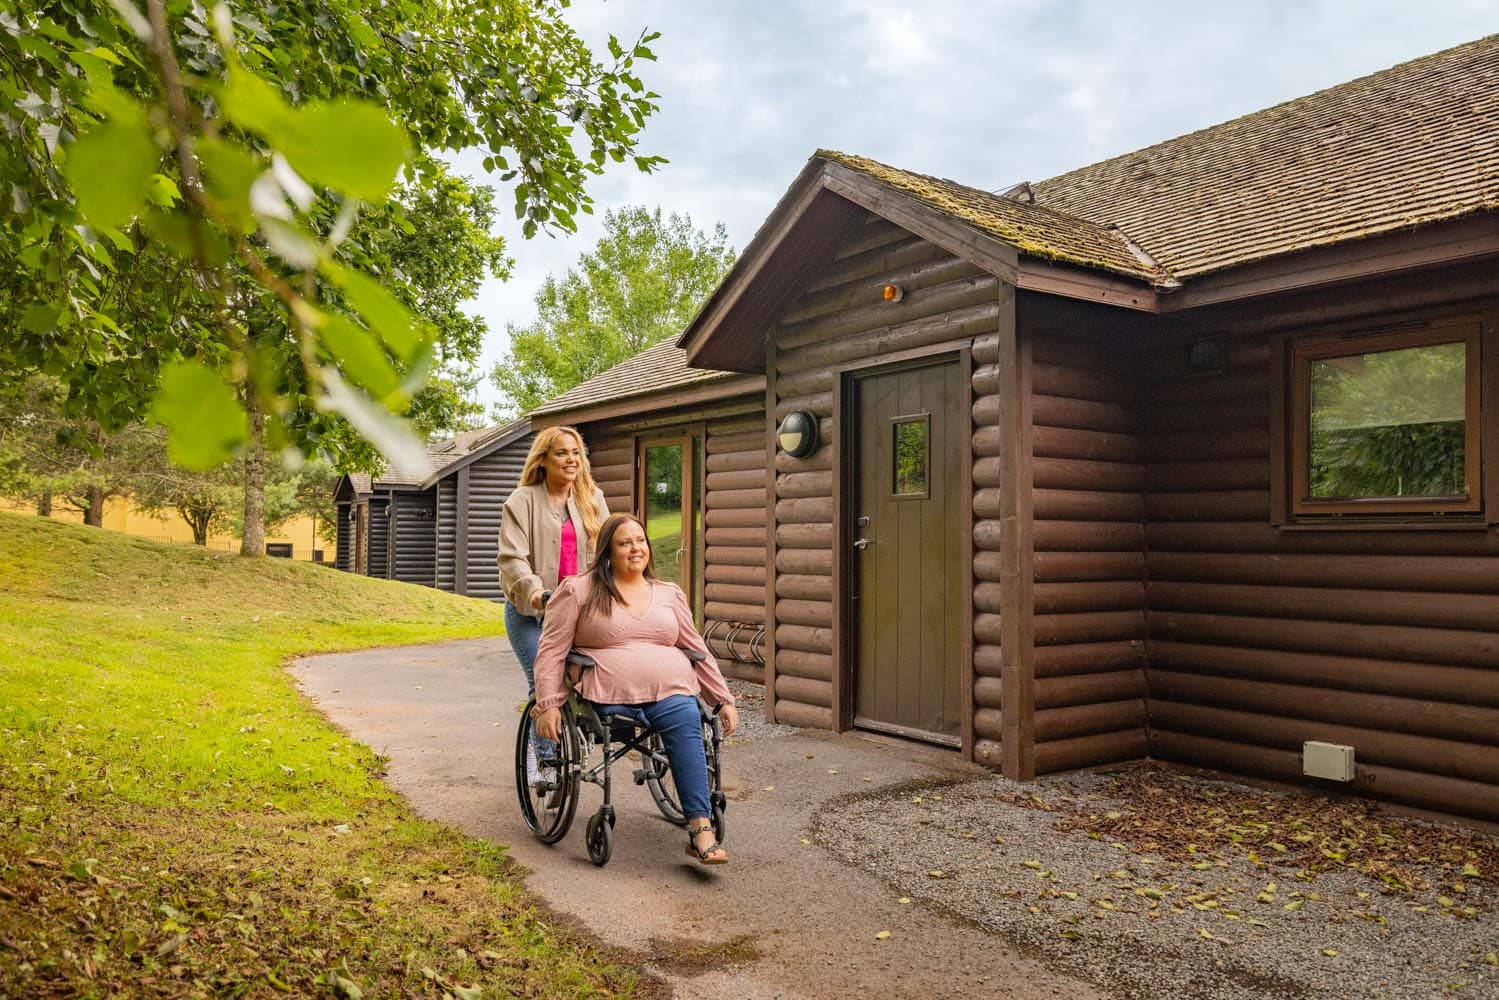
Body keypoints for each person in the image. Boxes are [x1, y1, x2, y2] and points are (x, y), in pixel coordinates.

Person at [532, 513, 740, 865]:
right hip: (606, 697)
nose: (636, 548)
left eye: (640, 540)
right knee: (677, 717)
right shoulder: (579, 590)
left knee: (689, 721)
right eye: (625, 542)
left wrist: (721, 699)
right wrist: (549, 703)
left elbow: (696, 650)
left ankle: (701, 832)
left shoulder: (668, 593)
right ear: (608, 551)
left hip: (671, 692)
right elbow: (551, 650)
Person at [499, 426, 608, 789]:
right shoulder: (521, 501)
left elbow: (606, 554)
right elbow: (512, 559)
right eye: (561, 453)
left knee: (584, 678)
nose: (571, 460)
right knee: (542, 683)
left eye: (576, 453)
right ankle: (546, 764)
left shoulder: (592, 498)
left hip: (578, 612)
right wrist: (533, 591)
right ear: (543, 460)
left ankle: (576, 736)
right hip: (531, 613)